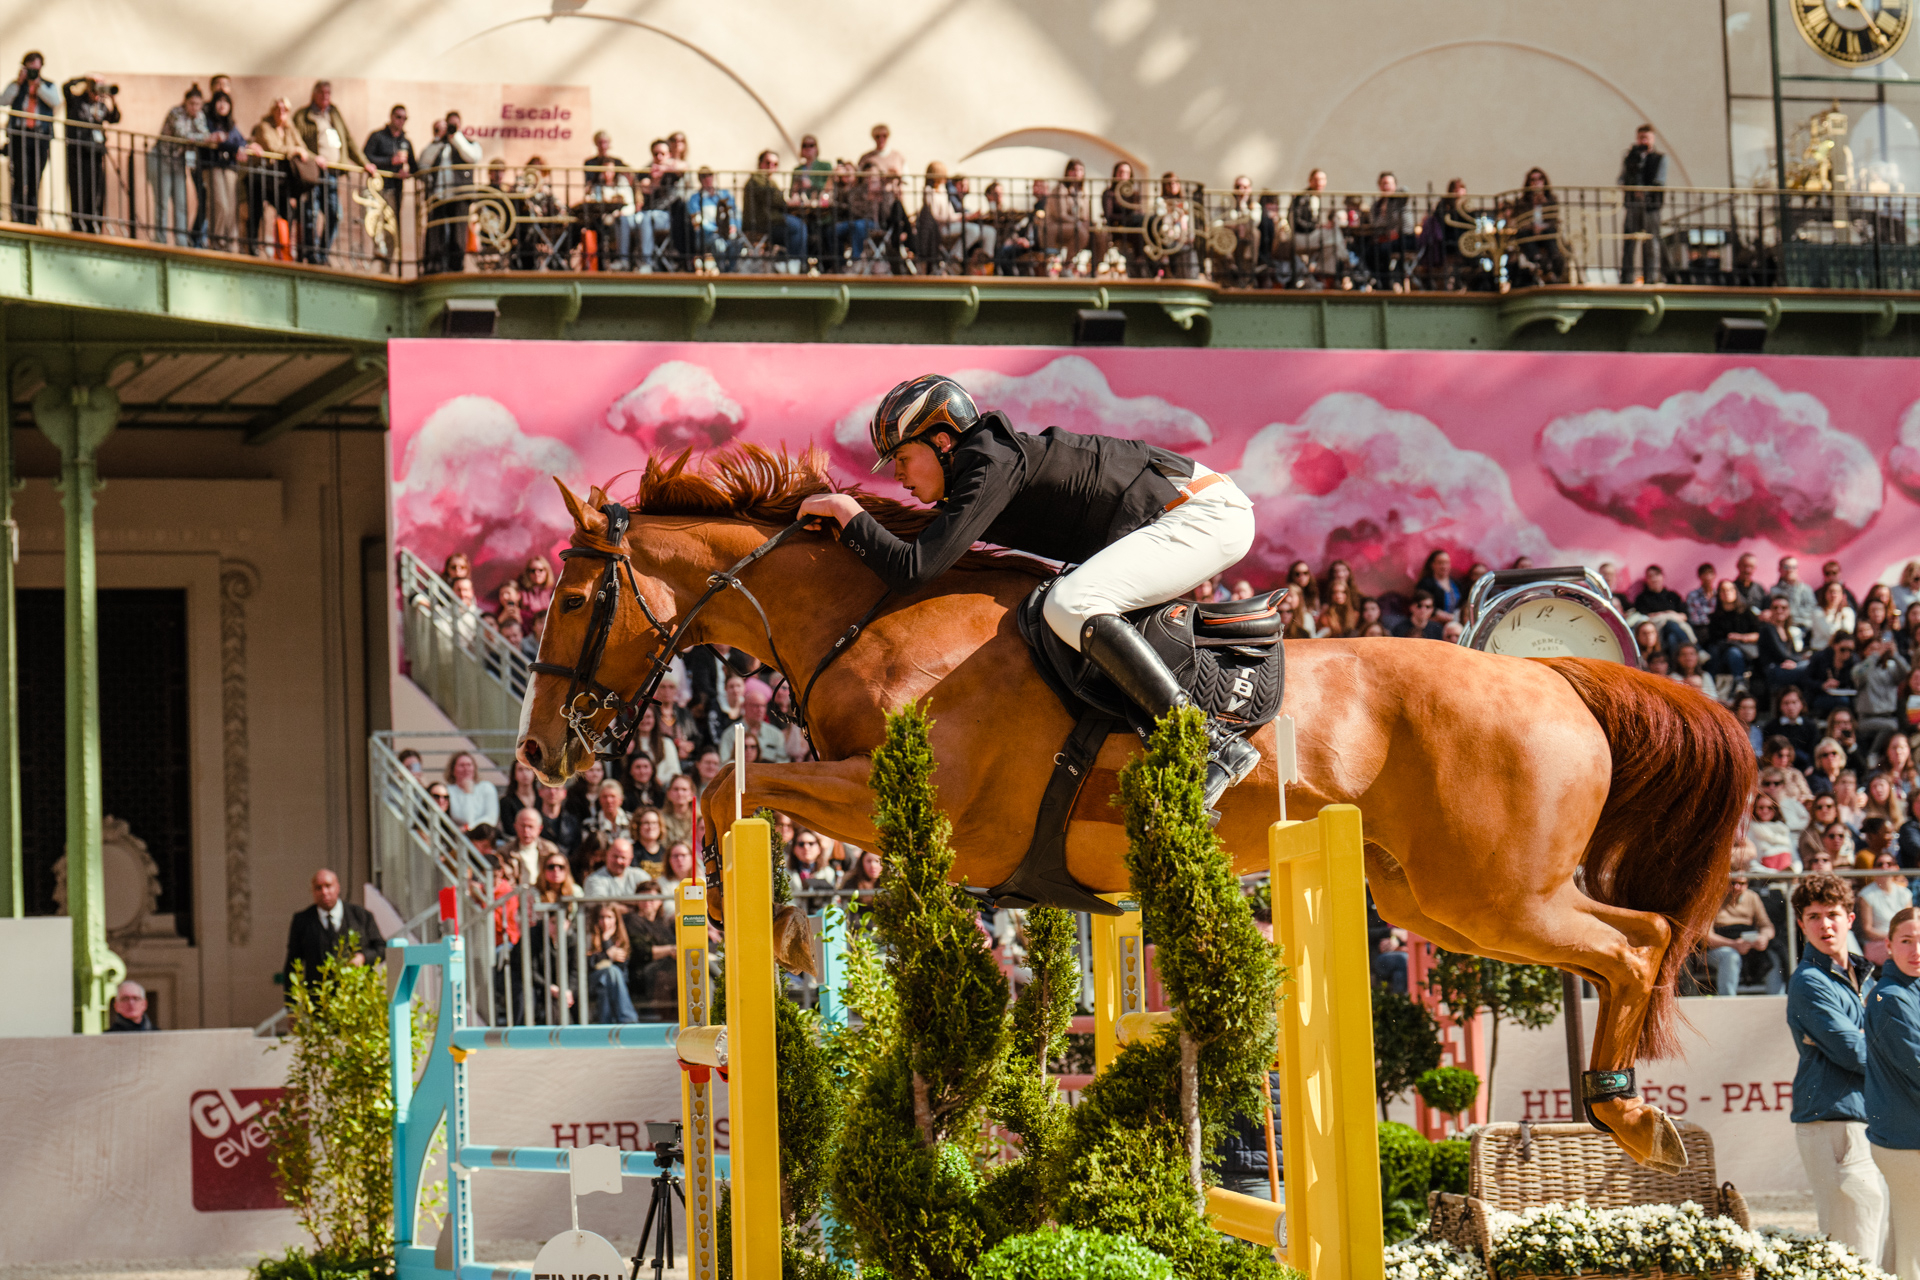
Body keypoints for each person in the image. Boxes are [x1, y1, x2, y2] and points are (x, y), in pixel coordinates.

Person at [796, 374, 1261, 811]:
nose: (897, 475)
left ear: (941, 442)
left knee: (1071, 603)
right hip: (1187, 511)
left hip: (1202, 514)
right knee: (1065, 604)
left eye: (901, 458)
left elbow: (914, 570)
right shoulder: (980, 464)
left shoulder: (987, 461)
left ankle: (1208, 741)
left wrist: (845, 510)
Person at [1788, 872, 1889, 1262]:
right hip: (1833, 1121)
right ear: (1800, 924)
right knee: (1853, 1248)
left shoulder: (1864, 977)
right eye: (1813, 916)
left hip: (1864, 1117)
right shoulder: (1808, 982)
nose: (1824, 924)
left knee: (1872, 1239)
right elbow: (1855, 1052)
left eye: (1832, 914)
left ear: (1850, 917)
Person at [1866, 905, 1920, 1280]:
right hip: (1906, 1141)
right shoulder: (1893, 998)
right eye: (1906, 941)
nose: (1916, 949)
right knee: (1914, 1248)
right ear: (1887, 945)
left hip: (1906, 1135)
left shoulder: (1909, 990)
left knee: (1905, 1240)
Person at [290, 81, 377, 266]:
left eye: (328, 93)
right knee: (310, 212)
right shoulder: (303, 116)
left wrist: (365, 163)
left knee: (335, 213)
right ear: (314, 94)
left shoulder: (334, 114)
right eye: (322, 92)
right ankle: (311, 253)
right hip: (312, 172)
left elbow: (349, 140)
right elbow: (297, 142)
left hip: (332, 173)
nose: (325, 96)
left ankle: (322, 252)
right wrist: (314, 158)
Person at [284, 869, 385, 985]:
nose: (324, 892)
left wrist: (363, 958)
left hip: (356, 993)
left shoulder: (361, 916)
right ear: (313, 891)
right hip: (319, 996)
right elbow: (292, 962)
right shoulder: (302, 921)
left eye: (328, 886)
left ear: (338, 887)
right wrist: (292, 1001)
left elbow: (381, 948)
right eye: (318, 888)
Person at [418, 111, 480, 273]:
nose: (452, 128)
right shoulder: (439, 145)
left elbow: (472, 156)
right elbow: (423, 162)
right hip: (439, 195)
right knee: (435, 232)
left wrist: (456, 137)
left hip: (459, 194)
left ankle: (456, 267)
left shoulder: (467, 142)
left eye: (455, 125)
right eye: (449, 125)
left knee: (458, 233)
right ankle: (433, 266)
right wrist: (439, 138)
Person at [2, 52, 58, 224]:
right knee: (19, 177)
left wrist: (38, 86)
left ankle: (31, 217)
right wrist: (19, 83)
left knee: (35, 178)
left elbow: (55, 102)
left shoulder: (48, 85)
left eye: (36, 68)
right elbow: (3, 100)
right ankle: (16, 215)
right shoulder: (17, 85)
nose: (33, 71)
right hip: (19, 135)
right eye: (30, 68)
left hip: (39, 137)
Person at [1703, 870, 1777, 995]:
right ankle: (1728, 1001)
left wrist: (1763, 938)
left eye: (1741, 883)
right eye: (1733, 883)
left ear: (1747, 884)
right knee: (1730, 956)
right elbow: (1705, 936)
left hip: (1747, 944)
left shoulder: (1752, 897)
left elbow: (1767, 926)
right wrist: (1733, 944)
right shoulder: (1713, 898)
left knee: (1773, 956)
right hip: (1718, 948)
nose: (1737, 887)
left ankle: (1777, 998)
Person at [61, 74, 118, 234]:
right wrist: (84, 79)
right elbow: (65, 87)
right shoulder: (76, 101)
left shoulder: (101, 106)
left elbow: (114, 118)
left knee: (95, 190)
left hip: (95, 153)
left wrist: (112, 99)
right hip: (78, 152)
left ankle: (94, 224)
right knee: (79, 189)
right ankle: (78, 225)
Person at [1618, 123, 1666, 285]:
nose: (1643, 141)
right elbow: (1622, 178)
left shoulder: (1659, 158)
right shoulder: (1630, 157)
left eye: (1646, 137)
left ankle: (1651, 277)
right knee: (1629, 241)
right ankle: (1626, 277)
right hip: (1633, 205)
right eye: (1640, 138)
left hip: (1651, 206)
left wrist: (1645, 191)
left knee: (1651, 243)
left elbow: (1660, 181)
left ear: (1652, 139)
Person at [362, 104, 414, 247]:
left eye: (404, 118)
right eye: (398, 117)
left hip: (395, 189)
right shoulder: (377, 136)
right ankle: (379, 249)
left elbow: (414, 166)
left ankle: (389, 264)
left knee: (392, 224)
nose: (401, 121)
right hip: (376, 187)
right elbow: (366, 157)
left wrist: (407, 173)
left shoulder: (405, 142)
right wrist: (390, 161)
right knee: (375, 220)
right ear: (391, 117)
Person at [1859, 850, 1913, 966]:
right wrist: (1893, 938)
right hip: (1878, 943)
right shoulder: (1866, 895)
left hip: (1903, 941)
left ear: (1896, 868)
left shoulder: (1905, 893)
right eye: (1880, 864)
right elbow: (1868, 930)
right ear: (1873, 869)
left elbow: (1910, 923)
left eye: (1889, 864)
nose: (1885, 866)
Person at [504, 805, 558, 887]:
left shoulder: (550, 850)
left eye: (530, 826)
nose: (526, 831)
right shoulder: (505, 852)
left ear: (539, 829)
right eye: (523, 826)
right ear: (515, 827)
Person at [443, 751, 499, 831]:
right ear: (453, 770)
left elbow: (491, 819)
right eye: (461, 765)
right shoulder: (448, 791)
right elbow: (467, 819)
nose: (466, 769)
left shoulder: (487, 787)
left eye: (469, 765)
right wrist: (467, 793)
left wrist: (469, 827)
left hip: (483, 834)